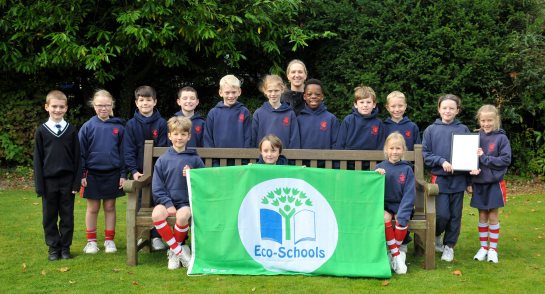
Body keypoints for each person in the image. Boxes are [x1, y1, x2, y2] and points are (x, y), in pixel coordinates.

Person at [152, 116, 205, 269]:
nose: (179, 138)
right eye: (175, 134)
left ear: (188, 136)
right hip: (166, 202)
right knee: (156, 214)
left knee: (183, 216)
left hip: (185, 203)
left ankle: (174, 251)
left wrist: (193, 174)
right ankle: (180, 252)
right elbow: (157, 187)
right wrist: (167, 204)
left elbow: (203, 182)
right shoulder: (162, 160)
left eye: (183, 134)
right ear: (169, 136)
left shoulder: (194, 159)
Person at [422, 94, 470, 262]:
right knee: (442, 214)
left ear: (457, 110)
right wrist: (441, 161)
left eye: (451, 108)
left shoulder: (463, 129)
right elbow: (426, 154)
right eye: (444, 108)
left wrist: (469, 182)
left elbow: (470, 157)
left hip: (459, 180)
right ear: (439, 109)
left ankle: (449, 246)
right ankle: (436, 236)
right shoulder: (431, 130)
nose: (447, 111)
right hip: (440, 180)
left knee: (455, 215)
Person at [34, 90, 82, 261]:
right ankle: (54, 248)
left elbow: (78, 158)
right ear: (47, 107)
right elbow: (38, 160)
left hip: (68, 182)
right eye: (54, 106)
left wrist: (76, 183)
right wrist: (40, 186)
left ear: (66, 108)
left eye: (61, 107)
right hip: (48, 182)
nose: (57, 110)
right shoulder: (41, 131)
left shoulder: (71, 130)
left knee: (67, 216)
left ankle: (65, 247)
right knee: (49, 217)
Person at [79, 89, 126, 254]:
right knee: (92, 208)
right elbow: (81, 153)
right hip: (92, 174)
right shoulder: (87, 127)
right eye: (99, 105)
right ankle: (91, 241)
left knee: (110, 206)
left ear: (112, 105)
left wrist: (122, 174)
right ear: (94, 106)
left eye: (107, 105)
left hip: (112, 173)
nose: (103, 108)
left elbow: (123, 152)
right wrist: (82, 174)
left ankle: (109, 240)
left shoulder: (119, 127)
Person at [124, 85, 168, 251]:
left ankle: (156, 237)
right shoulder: (131, 125)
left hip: (158, 172)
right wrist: (134, 171)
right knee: (140, 204)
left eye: (148, 100)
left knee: (158, 202)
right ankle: (141, 236)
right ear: (136, 103)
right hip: (139, 173)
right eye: (141, 100)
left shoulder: (162, 123)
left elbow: (163, 148)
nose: (145, 103)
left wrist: (159, 171)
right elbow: (128, 150)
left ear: (154, 102)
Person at [469, 105, 511, 263]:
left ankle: (493, 249)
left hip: (495, 183)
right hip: (479, 183)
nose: (486, 123)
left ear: (496, 120)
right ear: (479, 120)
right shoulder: (475, 137)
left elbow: (506, 160)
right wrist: (470, 174)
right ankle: (483, 248)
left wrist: (484, 158)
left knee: (493, 215)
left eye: (489, 120)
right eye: (483, 120)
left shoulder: (501, 138)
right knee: (482, 215)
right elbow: (468, 160)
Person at [375, 132, 415, 274]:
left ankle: (392, 253)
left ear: (403, 150)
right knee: (385, 217)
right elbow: (373, 190)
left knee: (400, 218)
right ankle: (397, 255)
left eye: (398, 148)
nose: (394, 152)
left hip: (401, 205)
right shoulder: (380, 167)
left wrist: (403, 213)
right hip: (385, 205)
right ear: (386, 149)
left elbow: (409, 195)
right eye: (391, 148)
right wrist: (376, 175)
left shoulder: (407, 169)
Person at [203, 75, 251, 166]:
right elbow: (208, 139)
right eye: (227, 92)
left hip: (239, 162)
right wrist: (213, 162)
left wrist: (244, 161)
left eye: (234, 92)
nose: (231, 96)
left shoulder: (244, 112)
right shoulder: (213, 113)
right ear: (220, 92)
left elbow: (248, 138)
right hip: (217, 162)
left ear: (239, 92)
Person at [335, 85, 385, 169]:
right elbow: (340, 144)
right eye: (361, 102)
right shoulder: (348, 120)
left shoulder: (378, 123)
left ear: (374, 105)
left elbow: (381, 147)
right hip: (348, 166)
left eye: (368, 102)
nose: (365, 105)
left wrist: (379, 166)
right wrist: (338, 166)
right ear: (355, 104)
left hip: (371, 166)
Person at [251, 74, 300, 148]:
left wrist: (292, 158)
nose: (273, 94)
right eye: (270, 91)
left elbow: (294, 140)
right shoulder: (258, 113)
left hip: (285, 158)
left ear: (282, 90)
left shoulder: (290, 114)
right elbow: (253, 138)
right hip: (263, 157)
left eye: (276, 90)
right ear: (265, 91)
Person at [297, 78, 339, 149]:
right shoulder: (298, 119)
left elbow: (336, 144)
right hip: (303, 160)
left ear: (322, 97)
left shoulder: (331, 119)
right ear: (304, 97)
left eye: (317, 94)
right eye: (309, 94)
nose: (313, 96)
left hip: (326, 159)